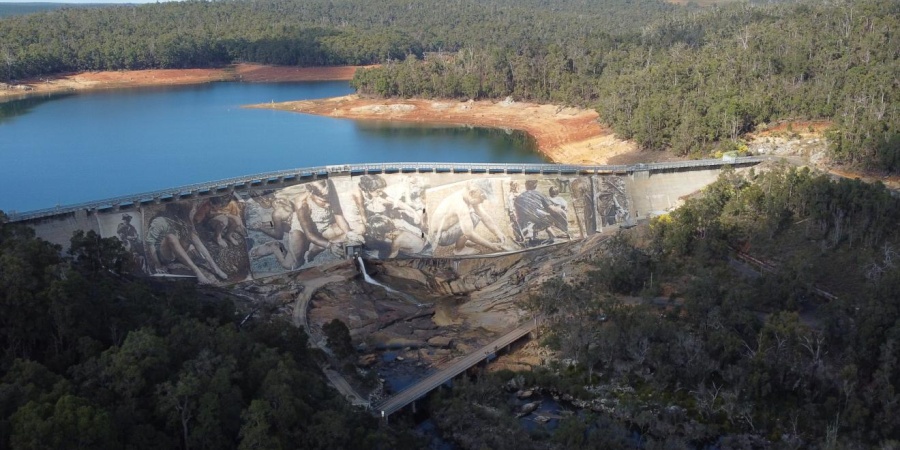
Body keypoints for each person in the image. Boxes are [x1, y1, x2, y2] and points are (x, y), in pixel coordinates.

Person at [145, 204, 229, 284]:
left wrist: (191, 245)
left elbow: (189, 234)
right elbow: (150, 244)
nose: (189, 213)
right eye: (186, 211)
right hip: (164, 255)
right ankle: (197, 271)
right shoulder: (159, 220)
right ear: (178, 210)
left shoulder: (181, 219)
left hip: (176, 251)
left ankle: (214, 267)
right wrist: (158, 265)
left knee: (192, 235)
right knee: (171, 237)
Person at [430, 180, 507, 255]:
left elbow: (484, 217)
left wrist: (498, 233)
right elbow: (469, 233)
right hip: (440, 237)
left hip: (443, 232)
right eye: (482, 197)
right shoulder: (460, 205)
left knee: (473, 217)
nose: (483, 201)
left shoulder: (466, 196)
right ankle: (459, 250)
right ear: (472, 193)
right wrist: (491, 245)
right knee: (473, 218)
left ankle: (461, 240)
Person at [514, 179, 567, 245]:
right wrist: (560, 213)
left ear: (526, 186)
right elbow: (550, 208)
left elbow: (517, 212)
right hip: (538, 217)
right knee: (547, 222)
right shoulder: (539, 194)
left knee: (536, 221)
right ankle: (552, 237)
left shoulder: (519, 197)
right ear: (535, 186)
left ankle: (533, 238)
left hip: (525, 219)